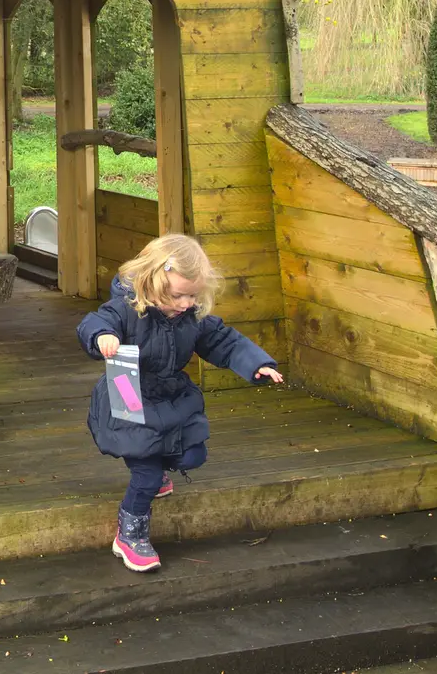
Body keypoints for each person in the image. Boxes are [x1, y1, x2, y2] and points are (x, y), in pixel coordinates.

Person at [76, 233, 283, 572]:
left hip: (171, 395)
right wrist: (103, 337)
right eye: (178, 295)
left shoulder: (190, 316)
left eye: (193, 295)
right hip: (128, 394)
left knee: (193, 454)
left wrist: (256, 363)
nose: (186, 303)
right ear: (152, 282)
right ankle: (130, 534)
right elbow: (95, 322)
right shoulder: (127, 308)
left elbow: (223, 340)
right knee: (145, 471)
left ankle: (158, 475)